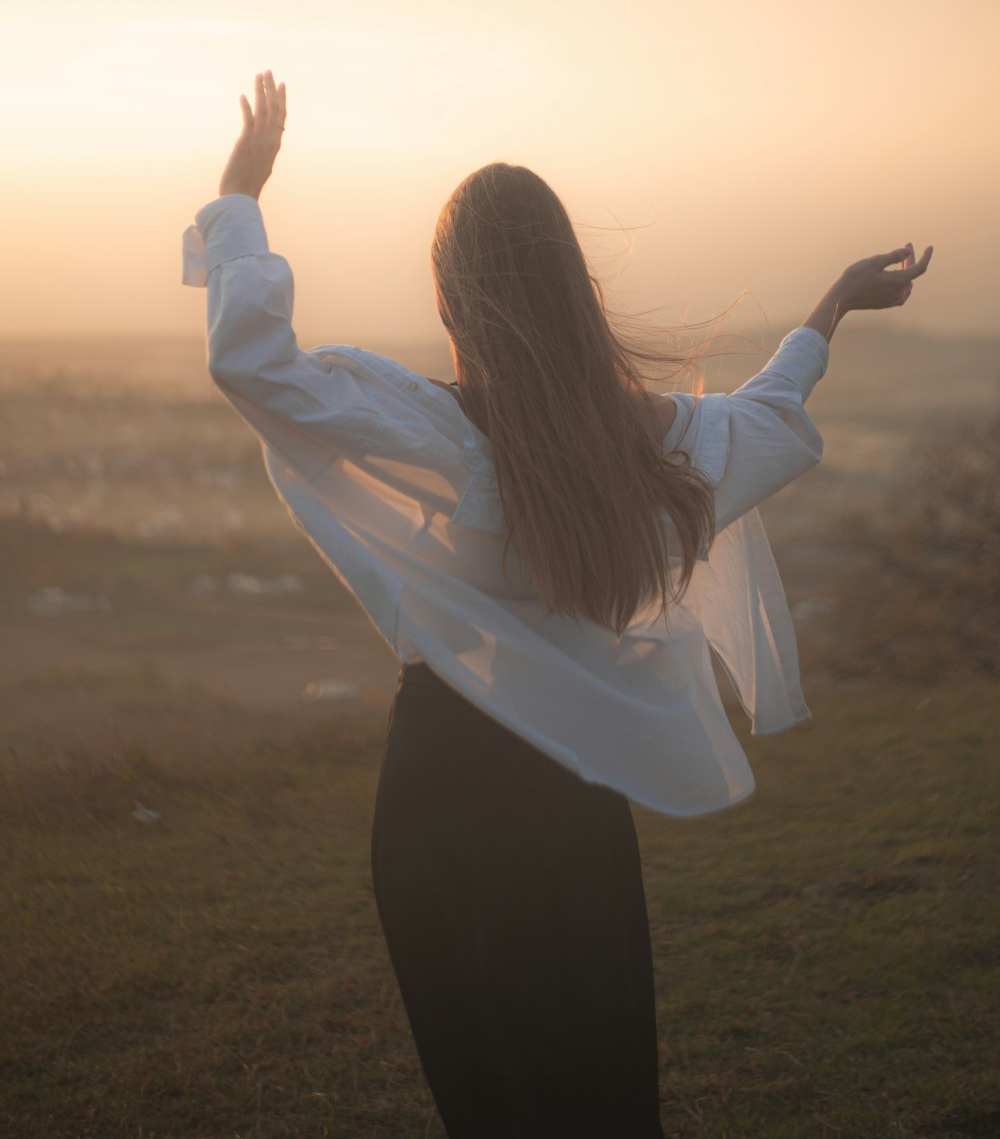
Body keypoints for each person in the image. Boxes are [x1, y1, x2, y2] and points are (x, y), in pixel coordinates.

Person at [181, 69, 933, 1138]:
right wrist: (831, 307)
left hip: (440, 790)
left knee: (487, 1088)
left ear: (450, 295)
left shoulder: (433, 431)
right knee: (595, 1078)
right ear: (572, 286)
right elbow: (760, 419)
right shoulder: (633, 444)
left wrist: (241, 196)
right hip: (570, 793)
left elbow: (254, 364)